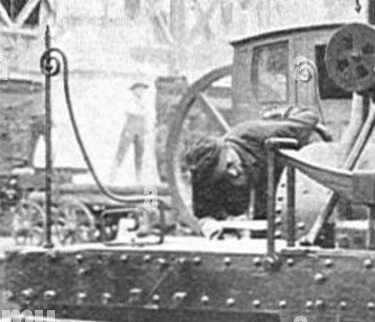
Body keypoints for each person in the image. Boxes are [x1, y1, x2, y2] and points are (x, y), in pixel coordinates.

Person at [183, 106, 330, 238]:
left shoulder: (257, 134)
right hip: (262, 216)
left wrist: (284, 115)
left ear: (227, 147)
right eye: (224, 175)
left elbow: (308, 119)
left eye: (230, 164)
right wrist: (209, 226)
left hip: (294, 196)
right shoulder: (203, 173)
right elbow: (202, 215)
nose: (233, 173)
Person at [110, 82, 150, 184]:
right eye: (139, 89)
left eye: (142, 89)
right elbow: (128, 112)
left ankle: (139, 180)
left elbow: (146, 115)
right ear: (134, 90)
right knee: (121, 152)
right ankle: (112, 178)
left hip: (140, 128)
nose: (141, 91)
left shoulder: (145, 102)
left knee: (139, 155)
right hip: (130, 126)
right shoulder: (129, 100)